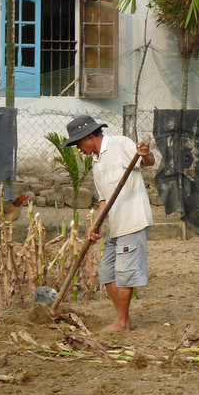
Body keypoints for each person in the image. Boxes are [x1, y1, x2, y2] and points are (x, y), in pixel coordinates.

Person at [63, 114, 154, 331]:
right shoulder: (96, 164)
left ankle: (122, 322)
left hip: (133, 220)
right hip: (116, 224)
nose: (78, 149)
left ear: (88, 137)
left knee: (124, 274)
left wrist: (146, 153)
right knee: (107, 273)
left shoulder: (119, 144)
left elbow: (146, 162)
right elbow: (104, 199)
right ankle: (125, 319)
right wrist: (96, 225)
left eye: (77, 144)